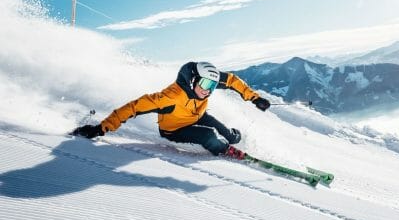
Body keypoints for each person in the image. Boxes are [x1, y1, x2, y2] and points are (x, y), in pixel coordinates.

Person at [73, 61, 270, 155]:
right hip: (174, 128)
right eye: (204, 85)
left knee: (229, 133)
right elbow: (133, 107)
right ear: (192, 80)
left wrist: (255, 98)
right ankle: (226, 151)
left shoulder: (206, 81)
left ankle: (231, 140)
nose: (207, 91)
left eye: (212, 86)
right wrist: (101, 128)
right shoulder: (169, 98)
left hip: (196, 115)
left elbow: (233, 81)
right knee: (209, 135)